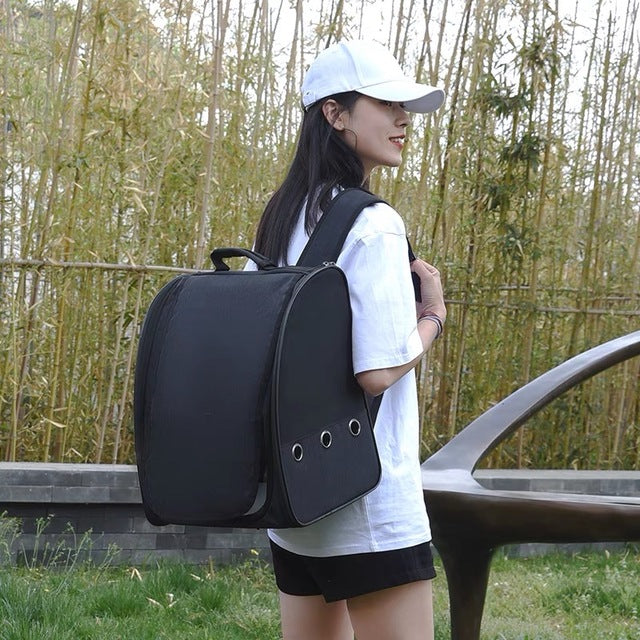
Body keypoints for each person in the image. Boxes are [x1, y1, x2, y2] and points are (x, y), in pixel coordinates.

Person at [252, 40, 447, 640]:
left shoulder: (280, 215)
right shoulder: (374, 224)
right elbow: (377, 372)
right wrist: (433, 317)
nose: (403, 119)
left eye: (405, 106)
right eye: (387, 104)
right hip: (368, 502)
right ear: (334, 113)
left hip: (299, 500)